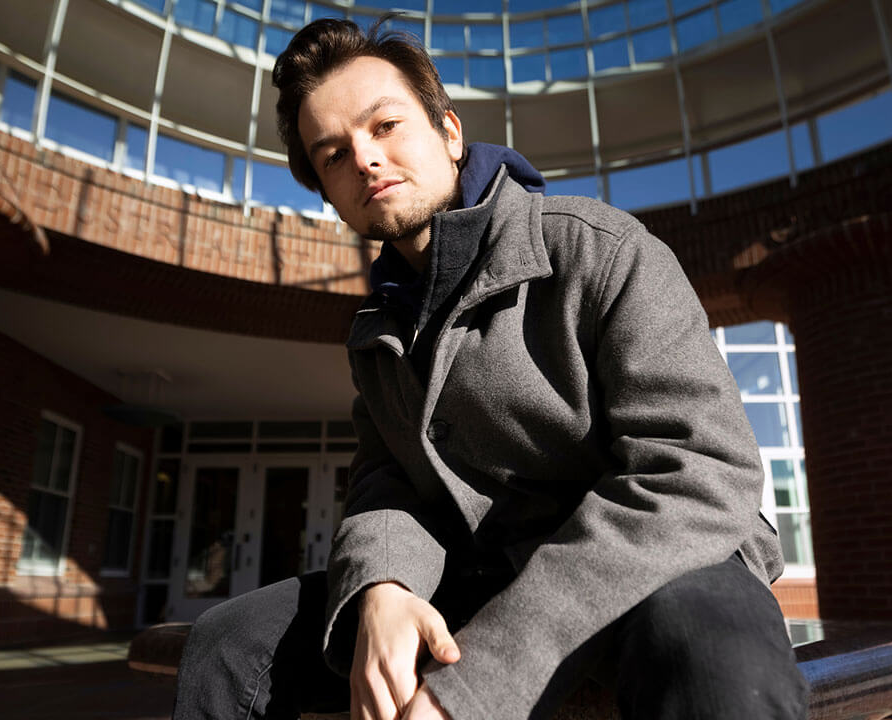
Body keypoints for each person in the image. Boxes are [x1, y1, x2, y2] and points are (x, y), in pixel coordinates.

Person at [173, 16, 808, 720]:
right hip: (482, 577)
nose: (364, 159)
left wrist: (475, 685)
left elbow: (701, 472)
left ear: (449, 132)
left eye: (384, 126)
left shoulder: (600, 250)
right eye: (333, 154)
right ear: (328, 194)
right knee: (229, 642)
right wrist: (381, 582)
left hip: (659, 567)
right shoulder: (377, 334)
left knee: (713, 644)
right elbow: (388, 483)